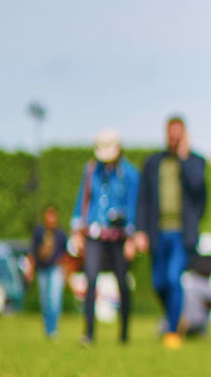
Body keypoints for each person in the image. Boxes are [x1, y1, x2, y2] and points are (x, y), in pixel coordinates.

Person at [135, 114, 208, 349]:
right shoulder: (153, 163)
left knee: (173, 277)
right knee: (159, 283)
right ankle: (177, 317)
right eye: (171, 134)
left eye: (179, 135)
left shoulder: (196, 162)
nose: (174, 139)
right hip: (158, 232)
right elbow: (144, 199)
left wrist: (184, 158)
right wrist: (140, 231)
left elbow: (199, 190)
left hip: (180, 234)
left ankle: (172, 330)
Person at [70, 127, 140, 345]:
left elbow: (133, 205)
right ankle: (89, 332)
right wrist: (77, 230)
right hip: (94, 234)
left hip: (119, 237)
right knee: (90, 281)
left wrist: (131, 238)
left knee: (122, 282)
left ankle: (124, 334)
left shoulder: (130, 174)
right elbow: (83, 199)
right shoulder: (91, 170)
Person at [27, 205, 68, 339]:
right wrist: (30, 269)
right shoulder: (39, 232)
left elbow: (66, 255)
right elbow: (32, 252)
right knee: (45, 301)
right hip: (42, 270)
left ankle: (54, 329)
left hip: (56, 269)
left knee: (55, 300)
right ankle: (48, 330)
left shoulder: (61, 234)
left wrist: (67, 272)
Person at [179, 260, 211, 338]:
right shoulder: (203, 283)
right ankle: (202, 334)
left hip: (177, 322)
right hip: (196, 323)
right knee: (206, 306)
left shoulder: (183, 280)